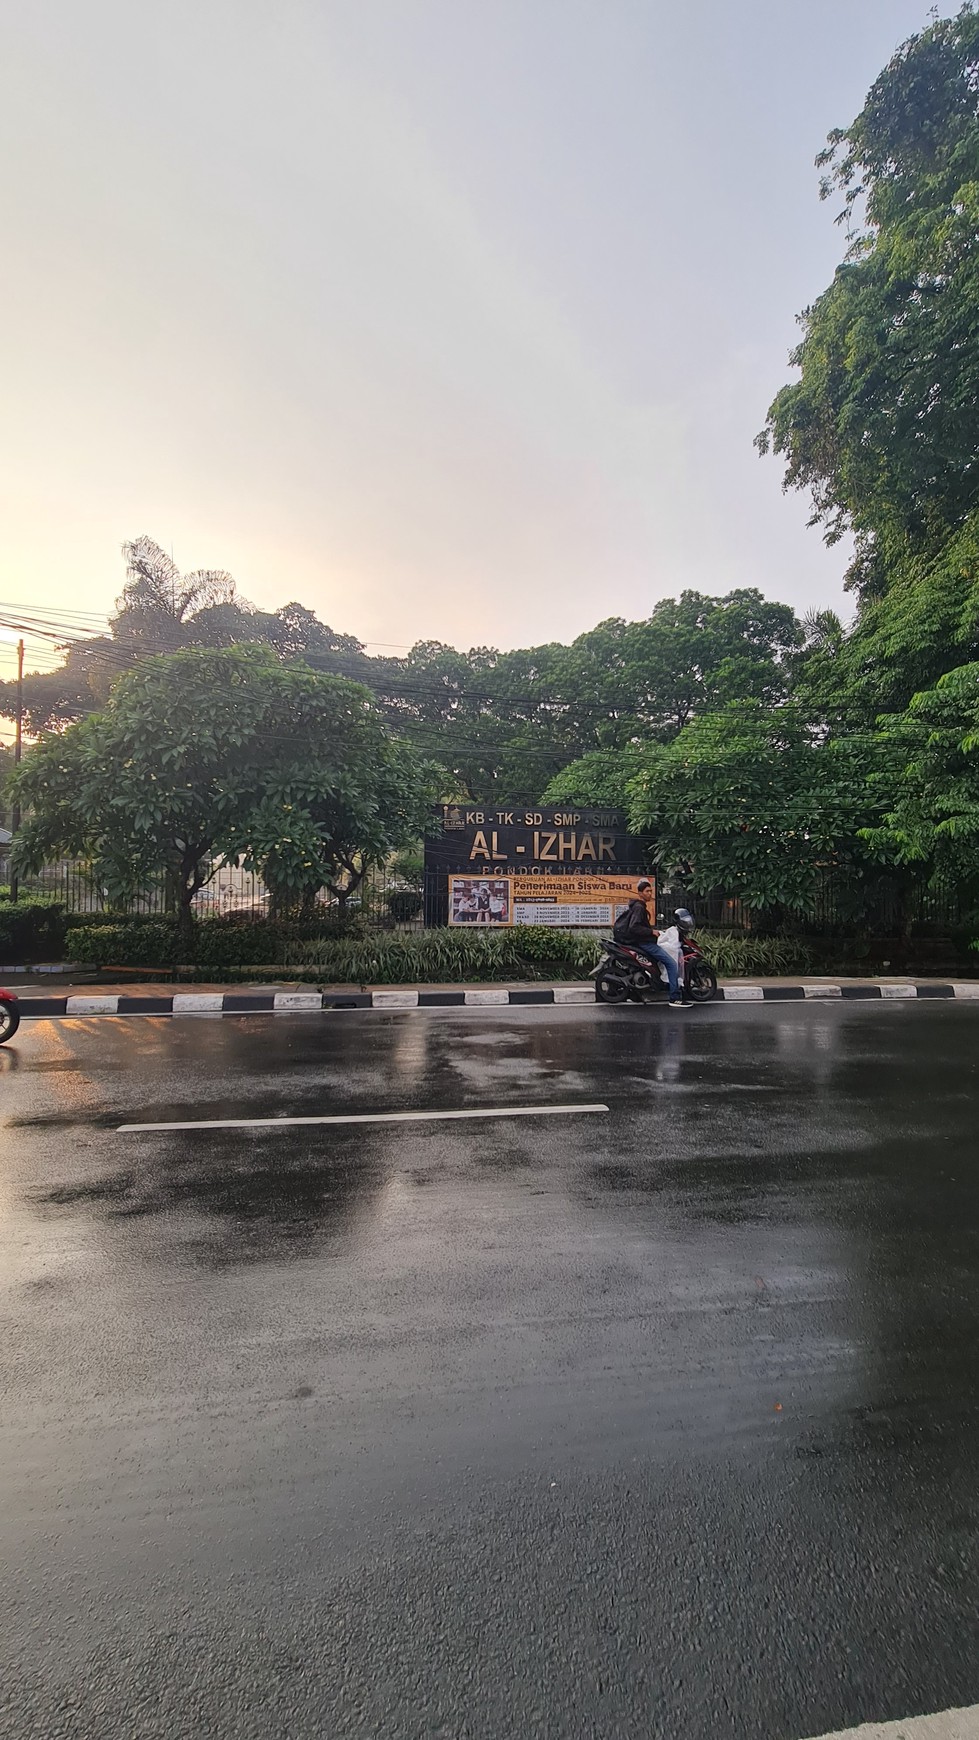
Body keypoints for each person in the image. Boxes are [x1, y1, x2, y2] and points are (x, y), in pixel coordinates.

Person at [613, 879, 690, 1008]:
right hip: (645, 943)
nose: (650, 894)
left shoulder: (638, 906)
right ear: (640, 893)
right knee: (671, 963)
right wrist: (651, 932)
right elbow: (634, 927)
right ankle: (675, 997)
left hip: (642, 942)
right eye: (647, 891)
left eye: (650, 891)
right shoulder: (639, 907)